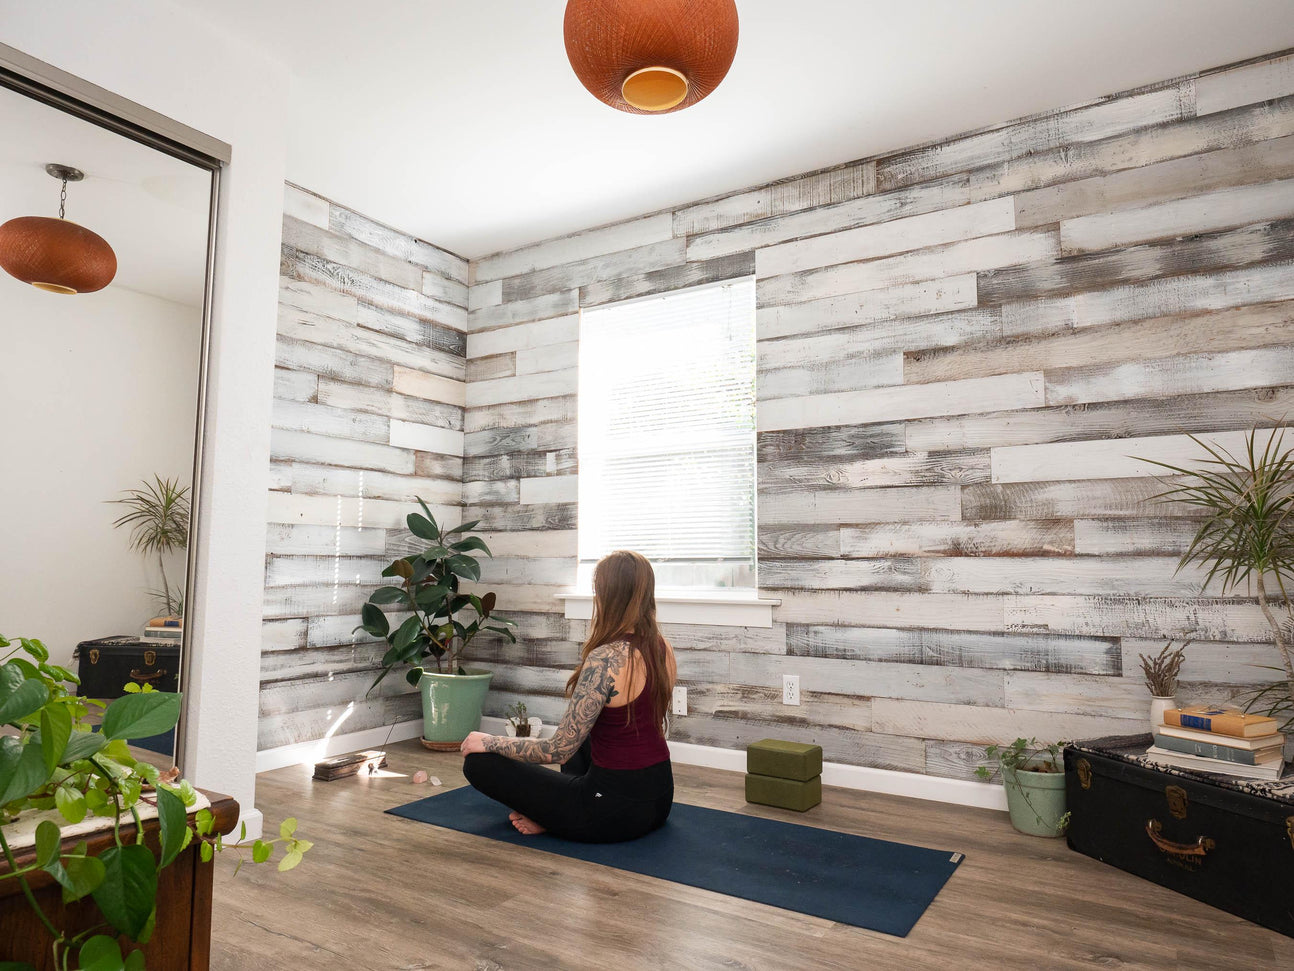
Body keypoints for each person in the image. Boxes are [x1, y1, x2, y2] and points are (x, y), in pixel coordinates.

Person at [459, 550, 677, 842]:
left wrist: (488, 741)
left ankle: (554, 816)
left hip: (613, 813)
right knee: (585, 734)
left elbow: (557, 750)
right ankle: (555, 813)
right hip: (660, 798)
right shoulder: (663, 647)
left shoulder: (606, 659)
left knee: (478, 763)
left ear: (608, 596)